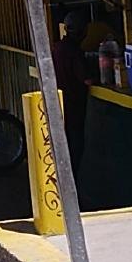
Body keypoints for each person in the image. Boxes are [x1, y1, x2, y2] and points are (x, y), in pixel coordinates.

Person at [51, 11, 92, 177]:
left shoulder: (56, 48)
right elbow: (87, 80)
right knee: (74, 150)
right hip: (73, 108)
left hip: (58, 107)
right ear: (82, 31)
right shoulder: (75, 52)